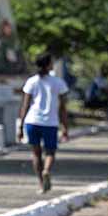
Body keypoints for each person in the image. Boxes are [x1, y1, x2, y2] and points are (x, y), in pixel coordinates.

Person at [18, 53, 69, 193]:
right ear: (48, 65)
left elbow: (25, 105)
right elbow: (62, 107)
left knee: (36, 154)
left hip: (32, 121)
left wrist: (21, 126)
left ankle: (41, 183)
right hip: (50, 123)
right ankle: (46, 170)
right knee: (50, 152)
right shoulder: (58, 82)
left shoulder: (31, 81)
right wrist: (65, 127)